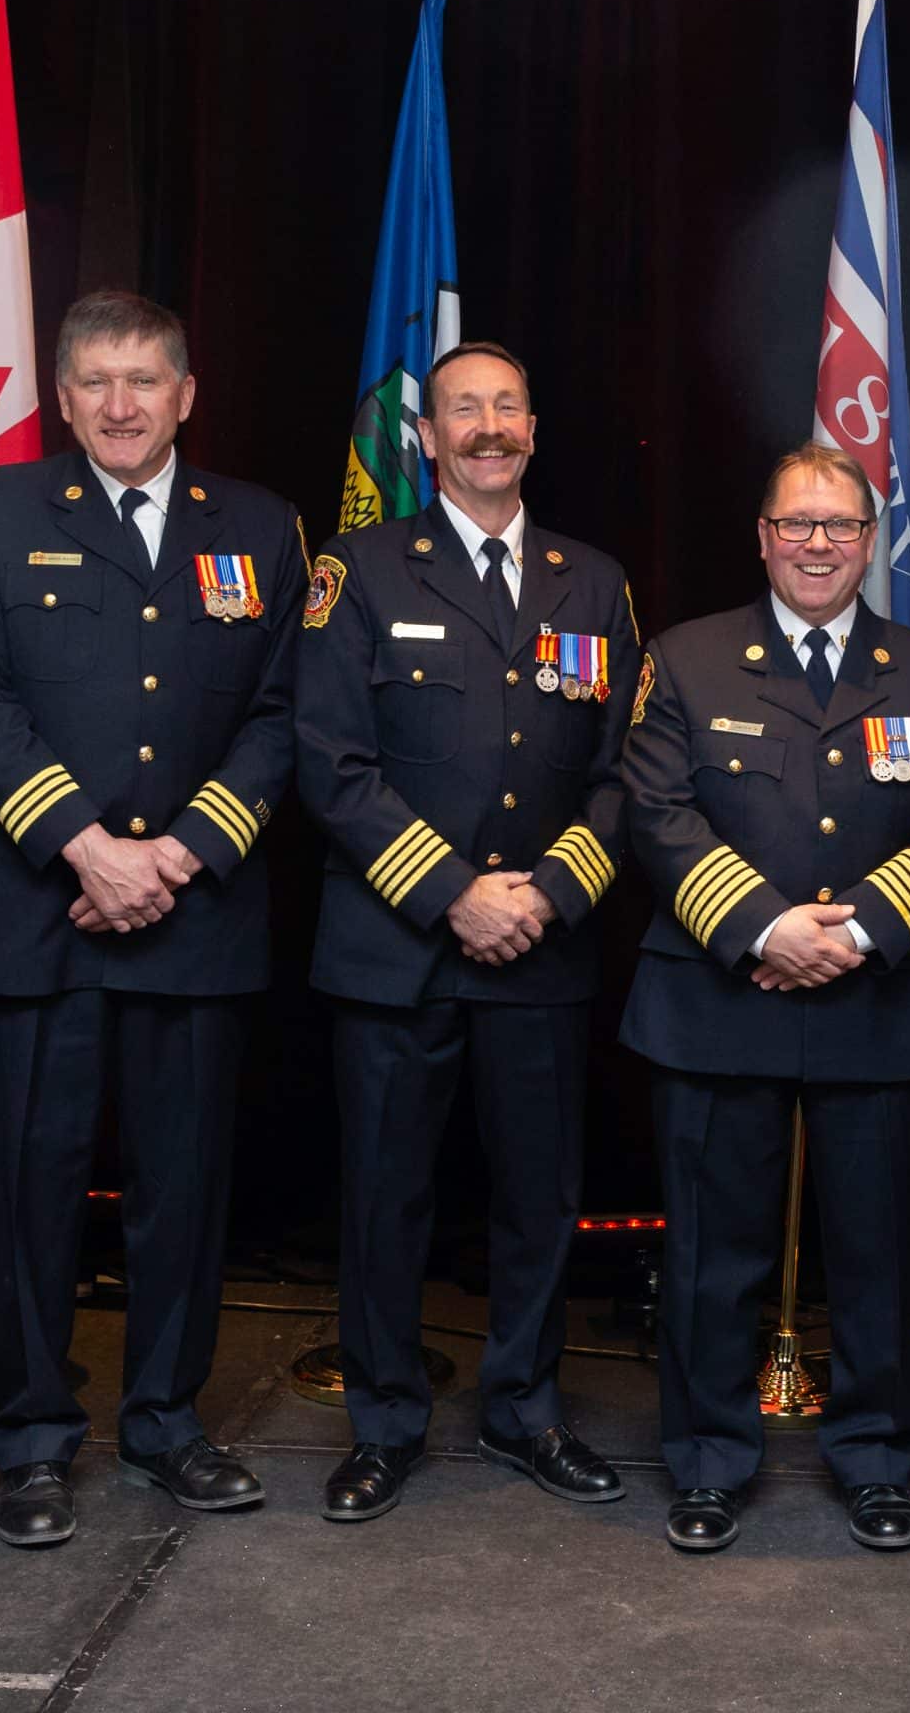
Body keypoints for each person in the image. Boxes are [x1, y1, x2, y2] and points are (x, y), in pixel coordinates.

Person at [0, 291, 303, 1546]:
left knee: (182, 1191)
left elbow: (277, 715)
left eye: (145, 380)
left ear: (186, 393)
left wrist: (183, 856)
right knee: (32, 1188)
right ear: (63, 393)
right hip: (42, 916)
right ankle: (35, 1438)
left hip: (194, 921)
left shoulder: (262, 527)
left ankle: (164, 1423)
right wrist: (88, 848)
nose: (121, 405)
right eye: (95, 382)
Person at [293, 342, 638, 1521]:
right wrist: (454, 894)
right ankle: (384, 1421)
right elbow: (330, 766)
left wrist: (544, 892)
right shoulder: (358, 570)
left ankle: (525, 1411)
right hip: (397, 954)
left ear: (533, 430)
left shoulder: (594, 581)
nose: (487, 427)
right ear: (427, 438)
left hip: (542, 946)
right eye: (462, 411)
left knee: (538, 1198)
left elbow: (622, 773)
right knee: (386, 1194)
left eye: (506, 407)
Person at [619, 442, 910, 1554]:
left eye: (840, 527)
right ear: (762, 537)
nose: (818, 545)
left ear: (871, 544)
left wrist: (862, 931)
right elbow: (657, 813)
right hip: (723, 997)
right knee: (711, 1254)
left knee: (874, 1248)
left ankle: (877, 1457)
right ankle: (708, 1458)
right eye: (797, 525)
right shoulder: (684, 660)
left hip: (881, 999)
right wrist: (767, 928)